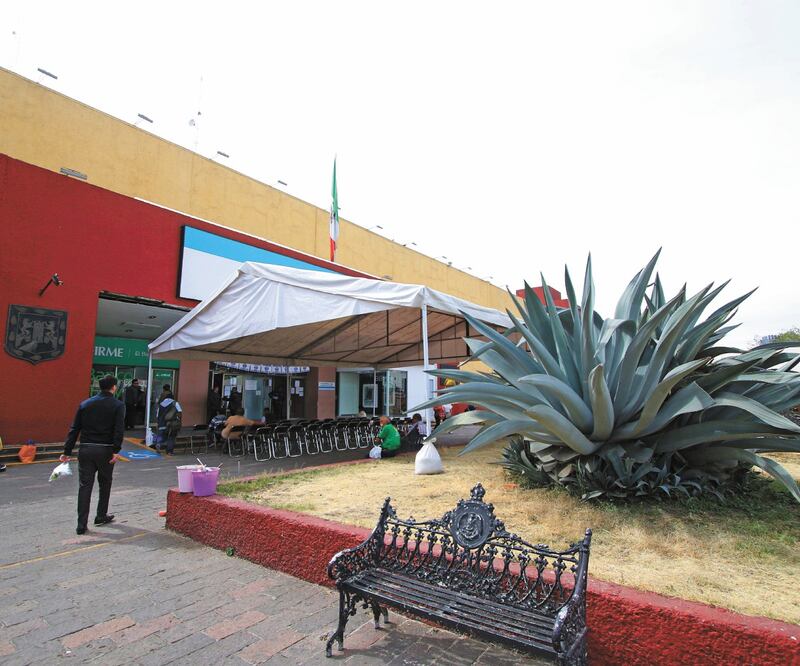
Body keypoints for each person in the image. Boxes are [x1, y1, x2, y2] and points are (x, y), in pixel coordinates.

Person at [60, 374, 124, 535]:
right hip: (106, 450)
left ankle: (81, 524)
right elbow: (119, 429)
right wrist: (117, 450)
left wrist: (67, 451)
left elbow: (74, 429)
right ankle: (101, 515)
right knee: (105, 483)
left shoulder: (85, 404)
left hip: (86, 449)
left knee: (84, 486)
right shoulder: (117, 405)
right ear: (113, 387)